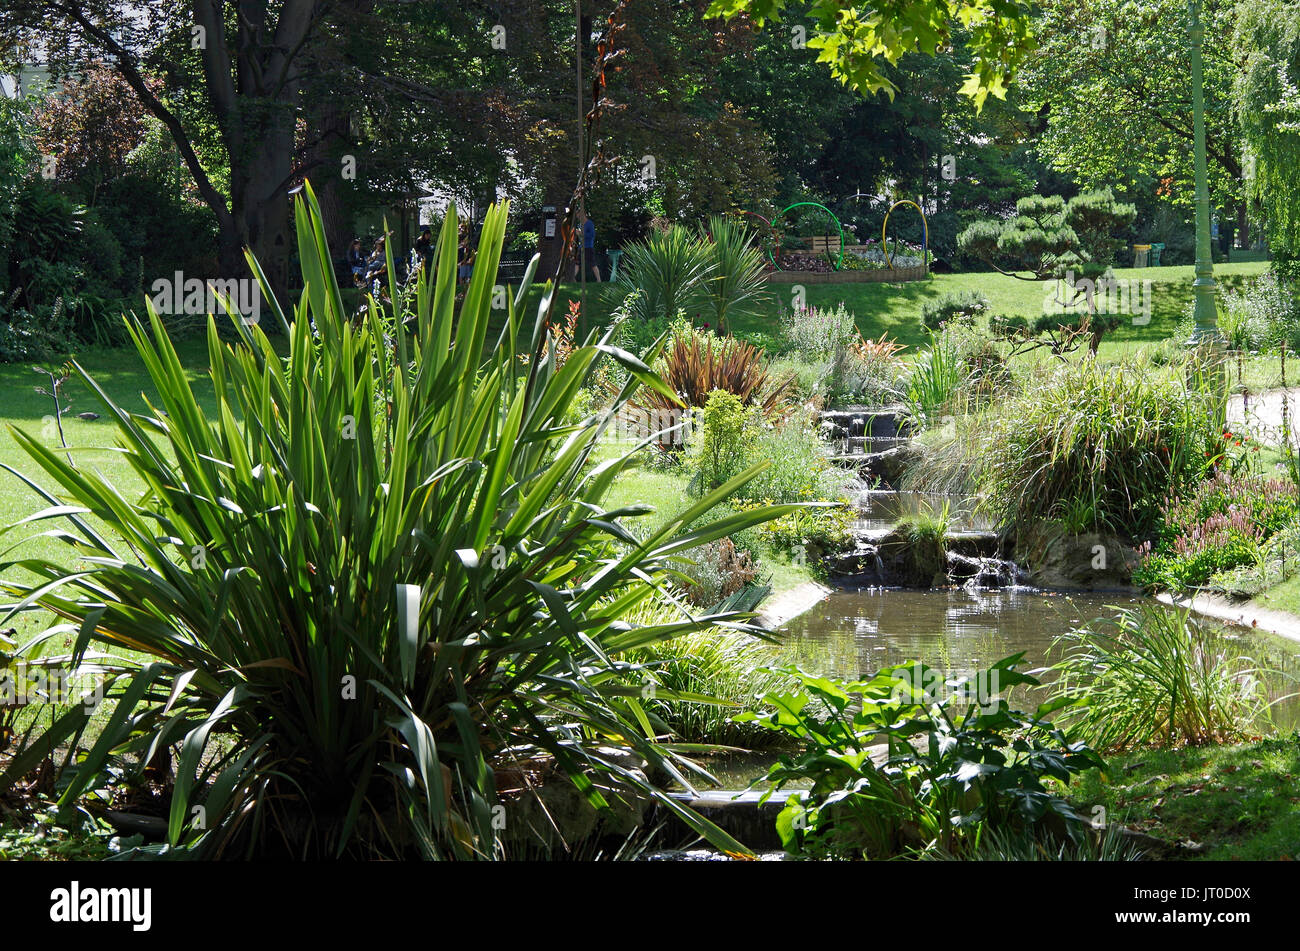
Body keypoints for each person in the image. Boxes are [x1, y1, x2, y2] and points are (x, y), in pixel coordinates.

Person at [571, 212, 601, 282]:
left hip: (588, 247)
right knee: (577, 263)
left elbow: (592, 235)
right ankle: (572, 278)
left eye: (579, 217)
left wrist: (581, 233)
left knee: (593, 264)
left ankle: (599, 280)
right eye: (578, 217)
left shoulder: (589, 223)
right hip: (581, 247)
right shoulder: (581, 225)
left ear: (583, 215)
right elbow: (581, 237)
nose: (579, 218)